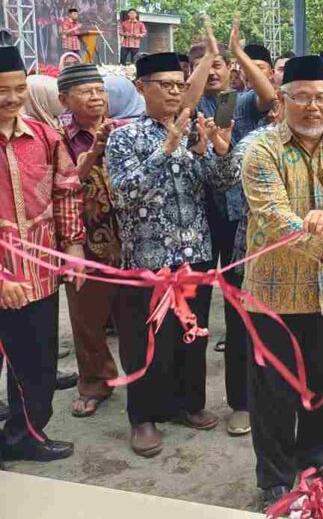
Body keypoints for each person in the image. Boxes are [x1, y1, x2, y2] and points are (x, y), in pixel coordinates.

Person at [241, 55, 323, 510]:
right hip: (273, 291)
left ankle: (318, 457)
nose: (314, 107)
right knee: (274, 389)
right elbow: (273, 216)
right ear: (283, 100)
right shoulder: (260, 150)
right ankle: (274, 473)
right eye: (303, 98)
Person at [106, 52, 237, 458]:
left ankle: (188, 403)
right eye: (166, 85)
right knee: (144, 342)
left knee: (191, 336)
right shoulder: (123, 136)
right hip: (148, 260)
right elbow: (125, 194)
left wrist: (217, 150)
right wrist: (169, 146)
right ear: (142, 87)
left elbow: (220, 184)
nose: (175, 92)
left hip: (193, 255)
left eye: (180, 86)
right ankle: (142, 416)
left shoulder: (193, 129)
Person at [188, 20, 278, 437]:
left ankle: (242, 402)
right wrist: (204, 60)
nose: (214, 70)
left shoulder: (238, 104)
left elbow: (269, 96)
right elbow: (181, 113)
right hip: (199, 223)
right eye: (205, 64)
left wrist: (241, 53)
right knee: (195, 312)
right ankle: (190, 402)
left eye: (221, 63)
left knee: (242, 310)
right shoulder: (186, 106)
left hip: (242, 221)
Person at [0, 45, 84, 466]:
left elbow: (67, 191)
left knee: (37, 361)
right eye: (2, 91)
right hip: (4, 277)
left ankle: (24, 434)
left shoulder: (46, 137)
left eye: (18, 88)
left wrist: (72, 247)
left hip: (39, 273)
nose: (11, 98)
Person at [57, 64, 125, 418]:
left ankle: (148, 381)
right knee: (87, 318)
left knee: (135, 314)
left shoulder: (126, 131)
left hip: (129, 237)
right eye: (86, 92)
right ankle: (95, 380)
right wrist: (93, 154)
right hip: (83, 238)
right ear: (64, 100)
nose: (96, 98)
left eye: (100, 90)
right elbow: (62, 187)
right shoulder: (57, 140)